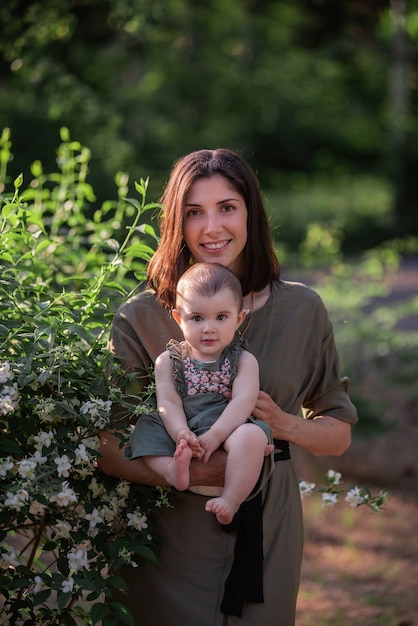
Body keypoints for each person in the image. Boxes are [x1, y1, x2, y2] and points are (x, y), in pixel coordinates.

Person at [98, 148, 358, 626]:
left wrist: (285, 426)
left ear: (251, 214)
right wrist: (193, 472)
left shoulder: (302, 310)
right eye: (194, 212)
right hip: (166, 535)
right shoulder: (140, 318)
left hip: (267, 527)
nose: (212, 227)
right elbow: (107, 447)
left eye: (227, 207)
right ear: (176, 222)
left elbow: (337, 433)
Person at [125, 262, 274, 525]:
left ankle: (230, 499)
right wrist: (181, 433)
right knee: (146, 427)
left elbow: (243, 401)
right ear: (178, 319)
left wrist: (216, 435)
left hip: (226, 426)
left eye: (221, 317)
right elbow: (168, 403)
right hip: (183, 430)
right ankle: (172, 471)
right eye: (197, 318)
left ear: (239, 318)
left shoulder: (243, 360)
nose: (209, 328)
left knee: (251, 435)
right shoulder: (168, 361)